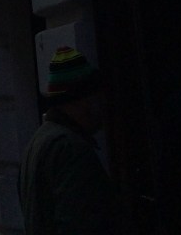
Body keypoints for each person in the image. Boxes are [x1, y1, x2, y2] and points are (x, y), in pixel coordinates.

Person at [19, 46, 121, 234]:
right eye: (96, 97)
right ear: (82, 100)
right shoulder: (69, 148)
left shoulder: (38, 140)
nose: (102, 106)